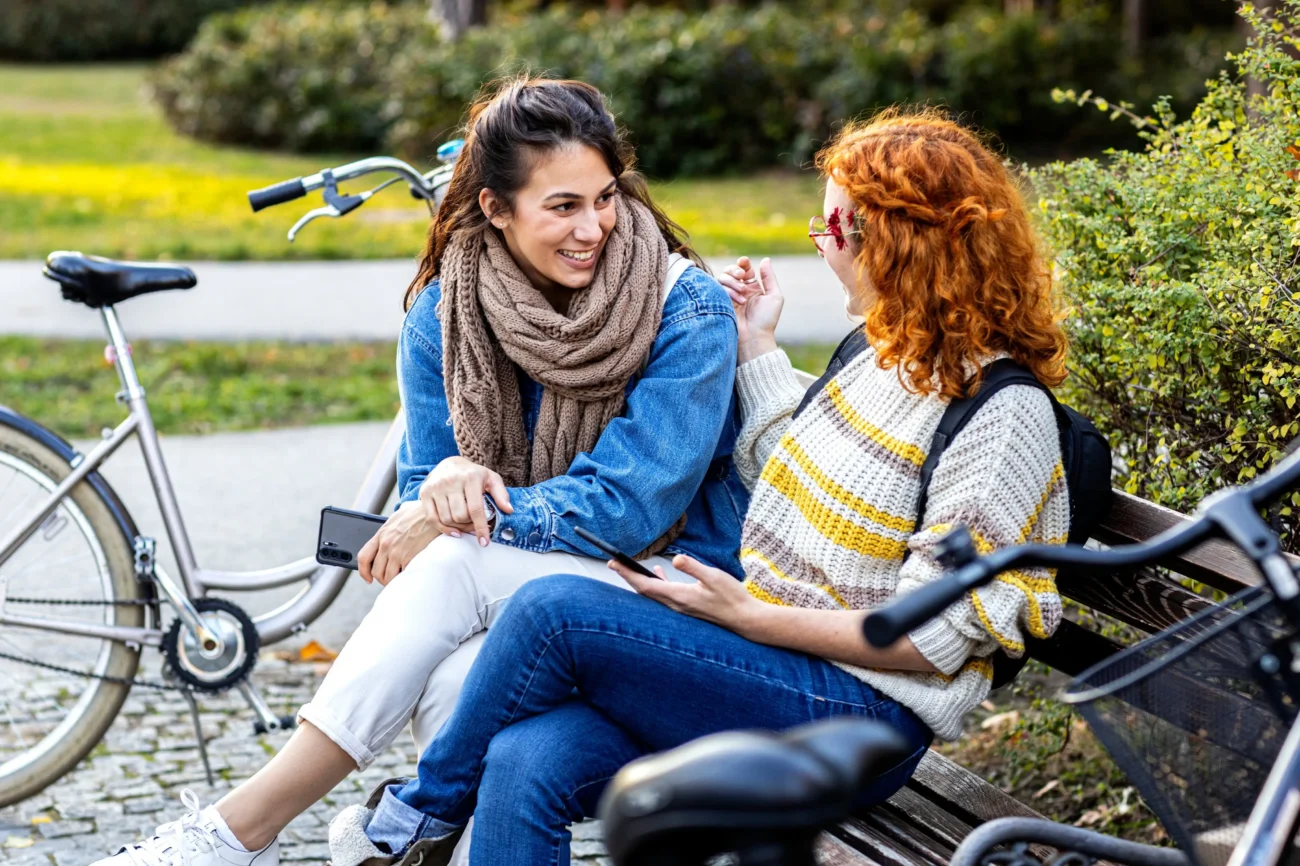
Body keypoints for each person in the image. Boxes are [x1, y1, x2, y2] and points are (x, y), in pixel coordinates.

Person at [324, 108, 1073, 866]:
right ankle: (421, 827)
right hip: (768, 675)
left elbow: (928, 636)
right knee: (525, 757)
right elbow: (797, 479)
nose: (825, 253)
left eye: (834, 233)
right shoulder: (881, 354)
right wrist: (759, 346)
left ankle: (414, 824)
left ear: (897, 241)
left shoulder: (1003, 415)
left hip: (861, 715)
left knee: (554, 610)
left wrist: (748, 618)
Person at [91, 78, 748, 866]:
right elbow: (423, 501)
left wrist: (461, 511)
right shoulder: (445, 313)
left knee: (459, 557)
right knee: (452, 683)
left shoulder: (686, 309)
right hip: (524, 587)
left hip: (665, 587)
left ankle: (236, 832)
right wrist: (445, 504)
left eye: (604, 199)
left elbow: (631, 504)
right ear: (495, 209)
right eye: (563, 207)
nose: (595, 228)